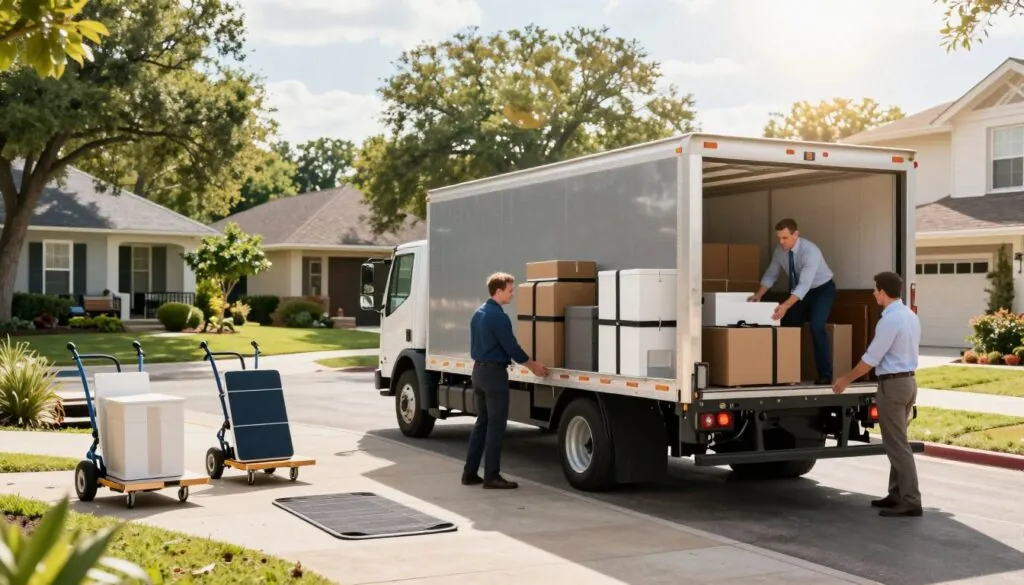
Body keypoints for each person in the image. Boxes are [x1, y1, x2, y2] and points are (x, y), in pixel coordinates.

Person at [832, 271, 922, 518]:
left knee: (897, 444)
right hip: (908, 381)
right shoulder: (910, 316)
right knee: (897, 440)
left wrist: (845, 379)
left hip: (892, 386)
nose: (873, 293)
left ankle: (911, 500)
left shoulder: (890, 320)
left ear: (883, 291)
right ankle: (896, 494)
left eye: (875, 290)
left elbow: (870, 359)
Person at [462, 272, 548, 489]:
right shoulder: (498, 316)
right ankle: (492, 476)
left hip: (479, 373)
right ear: (498, 290)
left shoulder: (478, 313)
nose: (512, 294)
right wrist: (533, 365)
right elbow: (511, 347)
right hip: (494, 376)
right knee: (496, 427)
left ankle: (469, 473)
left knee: (482, 423)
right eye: (510, 290)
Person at [748, 218, 837, 384]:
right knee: (786, 325)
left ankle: (825, 374)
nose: (781, 242)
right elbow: (771, 274)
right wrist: (759, 294)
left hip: (821, 290)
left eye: (785, 238)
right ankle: (783, 373)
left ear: (796, 234)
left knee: (817, 326)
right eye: (779, 238)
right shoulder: (780, 251)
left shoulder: (810, 251)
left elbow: (804, 284)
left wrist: (785, 305)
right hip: (799, 292)